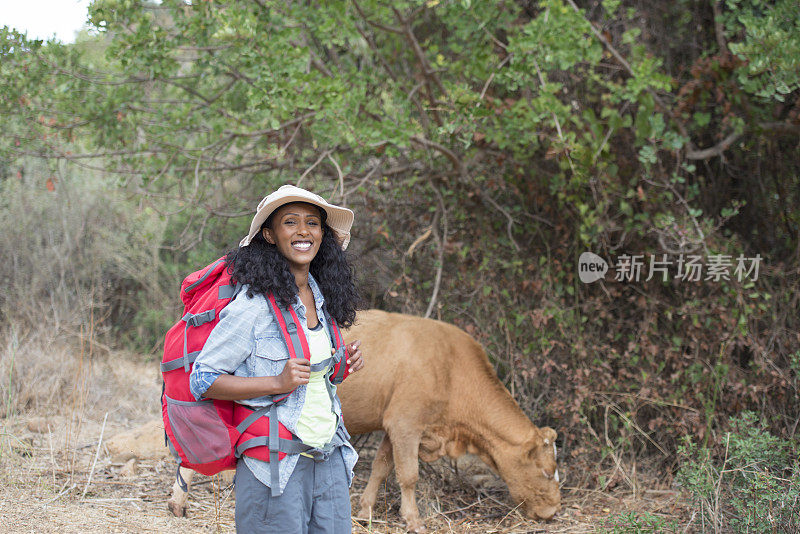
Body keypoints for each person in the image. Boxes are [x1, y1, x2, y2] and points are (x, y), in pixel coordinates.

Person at [189, 184, 364, 533]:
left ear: (322, 235)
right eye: (290, 222)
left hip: (328, 455)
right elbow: (203, 379)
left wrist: (340, 366)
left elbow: (312, 381)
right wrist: (276, 383)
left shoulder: (324, 303)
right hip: (275, 464)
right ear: (269, 235)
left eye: (312, 223)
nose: (303, 231)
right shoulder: (252, 307)